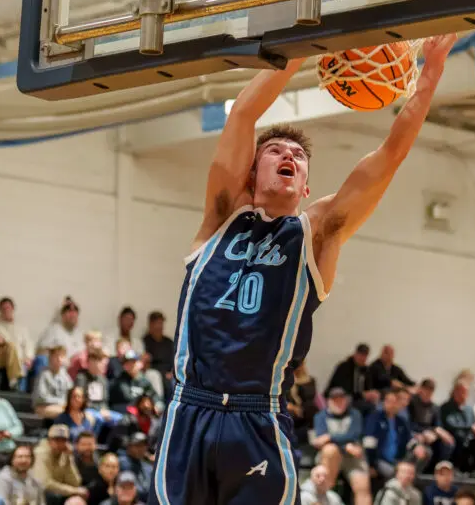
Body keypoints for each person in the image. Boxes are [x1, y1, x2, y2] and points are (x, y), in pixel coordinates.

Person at [149, 34, 458, 505]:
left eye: (297, 157)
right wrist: (301, 45)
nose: (288, 156)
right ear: (251, 174)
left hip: (259, 417)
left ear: (307, 186)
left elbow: (389, 156)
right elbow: (244, 115)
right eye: (274, 151)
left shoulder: (317, 233)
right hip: (190, 407)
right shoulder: (221, 216)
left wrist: (430, 74)